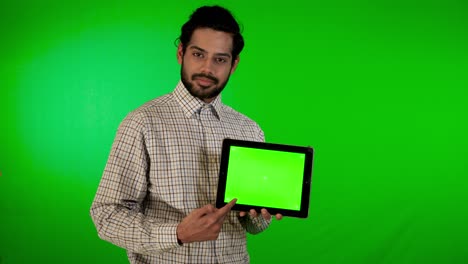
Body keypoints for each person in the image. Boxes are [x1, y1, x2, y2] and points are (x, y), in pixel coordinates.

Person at [90, 5, 281, 264]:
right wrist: (177, 233)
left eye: (220, 59)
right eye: (198, 54)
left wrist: (259, 215)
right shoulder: (143, 122)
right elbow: (107, 215)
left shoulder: (249, 129)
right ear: (181, 52)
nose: (207, 68)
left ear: (234, 64)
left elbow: (253, 225)